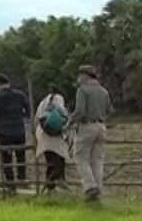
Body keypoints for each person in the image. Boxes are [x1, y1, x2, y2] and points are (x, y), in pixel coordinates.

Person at [70, 65, 112, 203]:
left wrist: (70, 122)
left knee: (80, 155)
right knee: (97, 159)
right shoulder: (103, 91)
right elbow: (109, 109)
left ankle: (89, 186)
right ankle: (98, 188)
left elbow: (80, 110)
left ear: (85, 76)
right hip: (101, 126)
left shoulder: (82, 90)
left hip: (87, 125)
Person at [0, 74, 32, 196]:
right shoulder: (20, 95)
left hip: (4, 131)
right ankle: (22, 178)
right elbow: (28, 111)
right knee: (20, 155)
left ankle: (10, 183)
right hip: (19, 129)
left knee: (6, 158)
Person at [35, 89, 72, 193]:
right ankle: (53, 184)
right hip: (55, 136)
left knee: (50, 161)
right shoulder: (59, 99)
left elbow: (36, 119)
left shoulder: (44, 102)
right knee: (59, 161)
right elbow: (64, 116)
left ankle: (50, 188)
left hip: (43, 133)